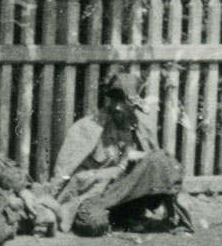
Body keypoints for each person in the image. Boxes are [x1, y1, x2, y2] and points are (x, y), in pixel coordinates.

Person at [50, 68, 192, 236]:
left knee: (161, 158)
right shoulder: (87, 128)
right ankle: (118, 219)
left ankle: (165, 219)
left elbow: (161, 172)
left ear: (135, 103)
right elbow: (64, 174)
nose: (117, 106)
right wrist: (51, 205)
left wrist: (141, 161)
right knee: (94, 223)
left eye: (124, 101)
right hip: (93, 195)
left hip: (126, 196)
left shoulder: (141, 130)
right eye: (114, 99)